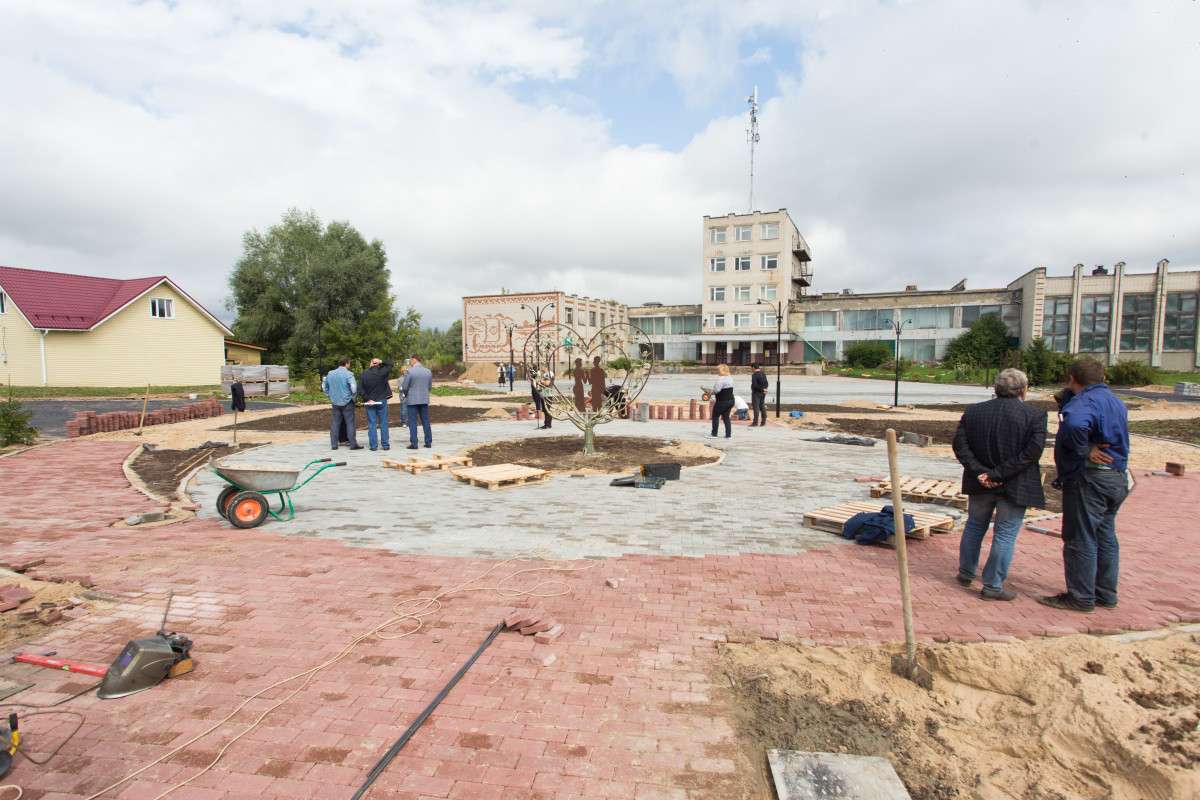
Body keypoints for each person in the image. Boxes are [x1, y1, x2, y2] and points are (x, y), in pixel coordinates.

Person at [1038, 358, 1131, 613]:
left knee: (1081, 538)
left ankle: (1080, 598)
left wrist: (1084, 449)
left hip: (1090, 478)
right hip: (1116, 477)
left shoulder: (1085, 402)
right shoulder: (1114, 400)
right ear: (1102, 378)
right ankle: (1105, 595)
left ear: (1072, 378)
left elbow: (1078, 424)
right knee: (1105, 536)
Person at [951, 368, 1047, 601]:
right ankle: (992, 586)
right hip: (1013, 483)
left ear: (995, 389)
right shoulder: (1034, 416)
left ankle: (966, 573)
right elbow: (1032, 452)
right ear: (1024, 389)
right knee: (1004, 534)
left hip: (982, 483)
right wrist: (995, 474)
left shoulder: (974, 412)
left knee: (974, 526)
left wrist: (983, 473)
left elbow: (960, 446)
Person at [322, 357, 362, 451]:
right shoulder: (348, 374)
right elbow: (353, 386)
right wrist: (353, 397)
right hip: (347, 401)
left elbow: (324, 386)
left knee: (335, 422)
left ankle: (334, 444)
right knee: (350, 423)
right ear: (347, 364)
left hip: (335, 401)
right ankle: (353, 443)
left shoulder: (330, 373)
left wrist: (329, 395)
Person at [357, 358, 393, 451]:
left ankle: (373, 446)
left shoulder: (363, 375)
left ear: (370, 364)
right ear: (378, 364)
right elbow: (391, 365)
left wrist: (367, 399)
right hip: (381, 400)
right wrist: (382, 361)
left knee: (372, 424)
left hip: (370, 402)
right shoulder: (383, 373)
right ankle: (385, 445)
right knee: (383, 423)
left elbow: (360, 389)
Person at [401, 354, 434, 449]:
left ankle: (414, 443)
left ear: (413, 360)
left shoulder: (410, 372)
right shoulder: (428, 371)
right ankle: (428, 442)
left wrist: (406, 394)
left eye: (411, 361)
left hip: (412, 399)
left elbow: (405, 386)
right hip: (423, 399)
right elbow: (429, 386)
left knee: (412, 421)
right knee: (425, 420)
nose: (410, 362)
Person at [706, 364, 734, 439]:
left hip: (722, 401)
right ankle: (728, 435)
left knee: (715, 416)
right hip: (730, 400)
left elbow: (717, 390)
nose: (718, 371)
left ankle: (714, 434)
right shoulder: (730, 378)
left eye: (719, 370)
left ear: (722, 371)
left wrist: (711, 392)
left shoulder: (720, 379)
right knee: (726, 417)